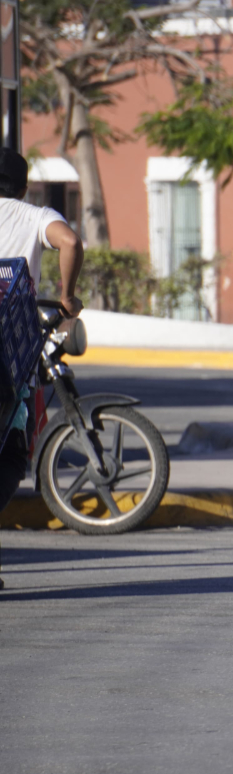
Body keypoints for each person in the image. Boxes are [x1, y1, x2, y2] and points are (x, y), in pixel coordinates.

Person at [0, 148, 84, 543]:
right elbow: (70, 241)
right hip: (11, 355)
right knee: (13, 451)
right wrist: (68, 298)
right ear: (24, 186)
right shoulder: (34, 216)